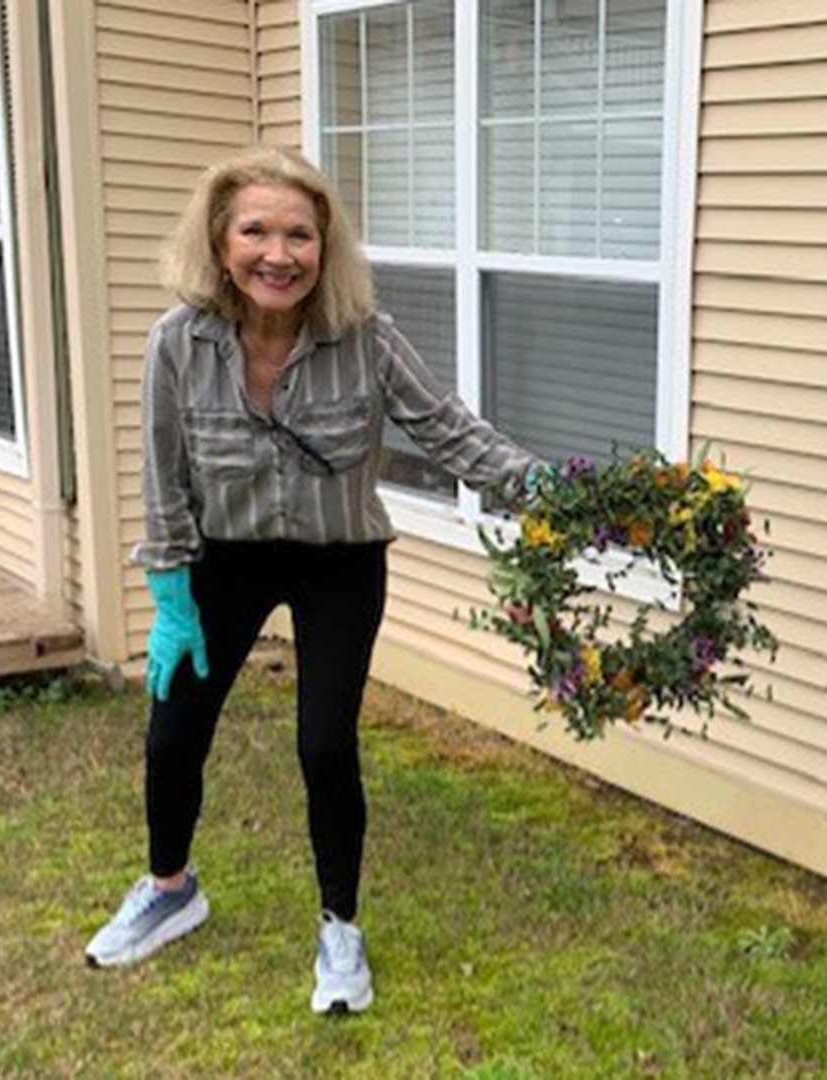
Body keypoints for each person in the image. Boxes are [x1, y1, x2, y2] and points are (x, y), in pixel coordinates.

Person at [84, 147, 541, 1015]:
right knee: (173, 732)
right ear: (221, 242)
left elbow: (447, 431)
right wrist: (174, 596)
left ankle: (340, 929)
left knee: (325, 744)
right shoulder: (176, 344)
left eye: (300, 234)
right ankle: (171, 889)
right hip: (225, 558)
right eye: (256, 230)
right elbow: (163, 472)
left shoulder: (366, 340)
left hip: (339, 561)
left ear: (324, 249)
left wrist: (546, 486)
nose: (278, 253)